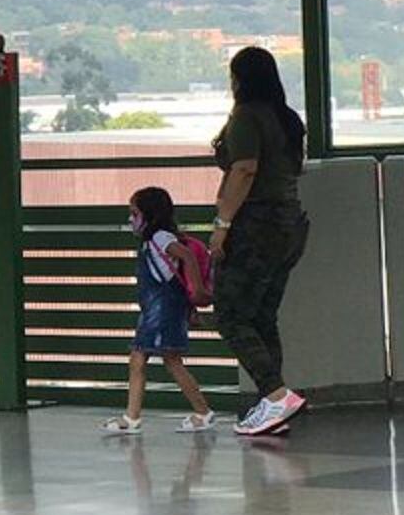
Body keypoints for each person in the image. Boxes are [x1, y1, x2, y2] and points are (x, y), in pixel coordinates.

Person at [211, 46, 310, 438]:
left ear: (240, 79)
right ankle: (273, 408)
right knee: (262, 316)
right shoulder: (288, 119)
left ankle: (275, 394)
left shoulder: (246, 117)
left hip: (256, 225)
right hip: (290, 225)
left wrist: (222, 226)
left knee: (231, 314)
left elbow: (244, 169)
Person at [102, 186, 215, 435]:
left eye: (134, 213)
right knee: (168, 361)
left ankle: (133, 417)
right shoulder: (154, 240)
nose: (131, 219)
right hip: (161, 310)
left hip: (160, 311)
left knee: (143, 358)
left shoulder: (160, 238)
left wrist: (195, 287)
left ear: (149, 216)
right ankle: (201, 412)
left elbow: (184, 255)